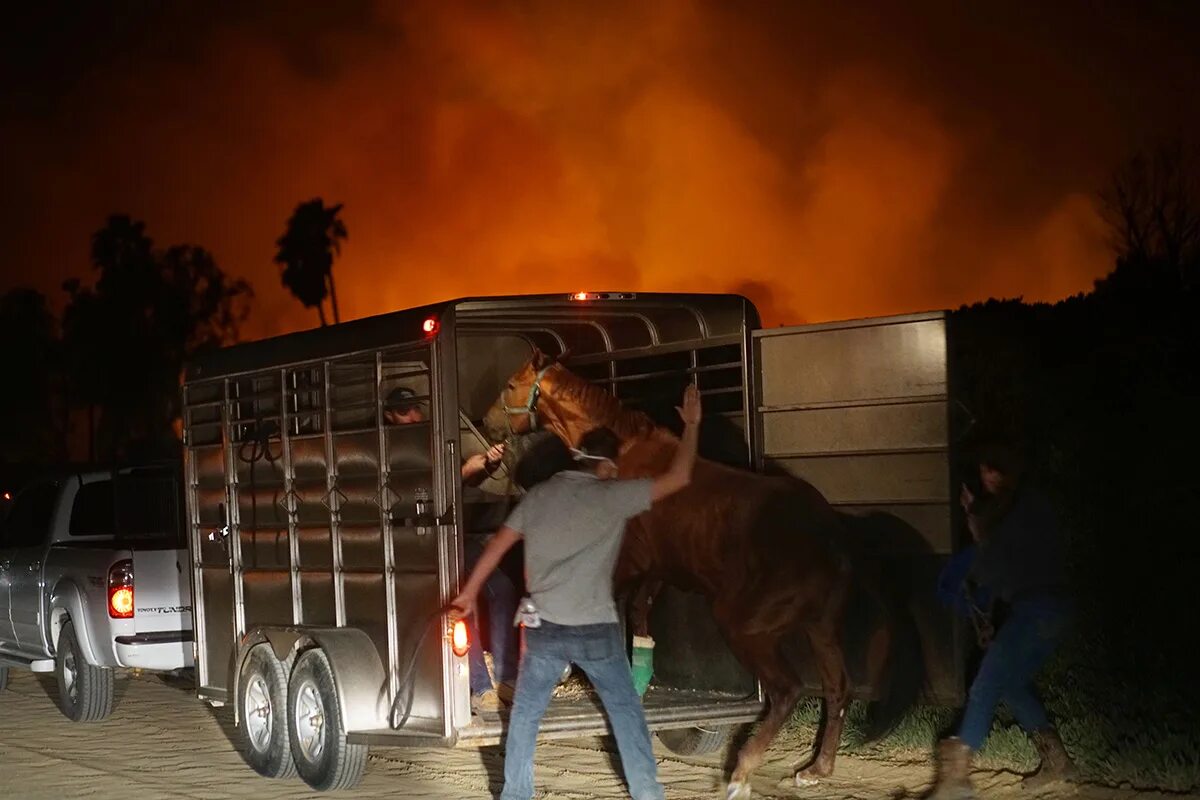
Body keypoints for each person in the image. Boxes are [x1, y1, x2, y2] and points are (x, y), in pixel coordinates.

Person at [450, 384, 704, 800]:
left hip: (543, 629)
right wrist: (691, 426)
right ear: (607, 466)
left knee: (527, 716)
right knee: (624, 712)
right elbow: (681, 476)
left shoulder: (540, 496)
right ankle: (648, 793)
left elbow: (496, 549)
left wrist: (467, 595)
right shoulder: (613, 496)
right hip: (595, 629)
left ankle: (516, 795)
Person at [928, 442, 1077, 800]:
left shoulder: (1025, 506)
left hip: (1039, 611)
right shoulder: (1022, 506)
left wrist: (973, 519)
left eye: (992, 471)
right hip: (1046, 611)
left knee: (985, 685)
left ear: (1009, 470)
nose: (987, 478)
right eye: (983, 473)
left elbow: (992, 557)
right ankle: (1058, 763)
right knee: (1011, 685)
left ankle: (957, 784)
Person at [383, 385, 519, 713]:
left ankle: (505, 677)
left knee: (502, 589)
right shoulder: (391, 450)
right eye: (405, 412)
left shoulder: (431, 441)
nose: (414, 416)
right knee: (460, 602)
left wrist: (485, 465)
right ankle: (480, 686)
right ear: (389, 416)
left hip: (454, 535)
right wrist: (464, 472)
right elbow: (421, 497)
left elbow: (460, 482)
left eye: (415, 409)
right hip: (420, 541)